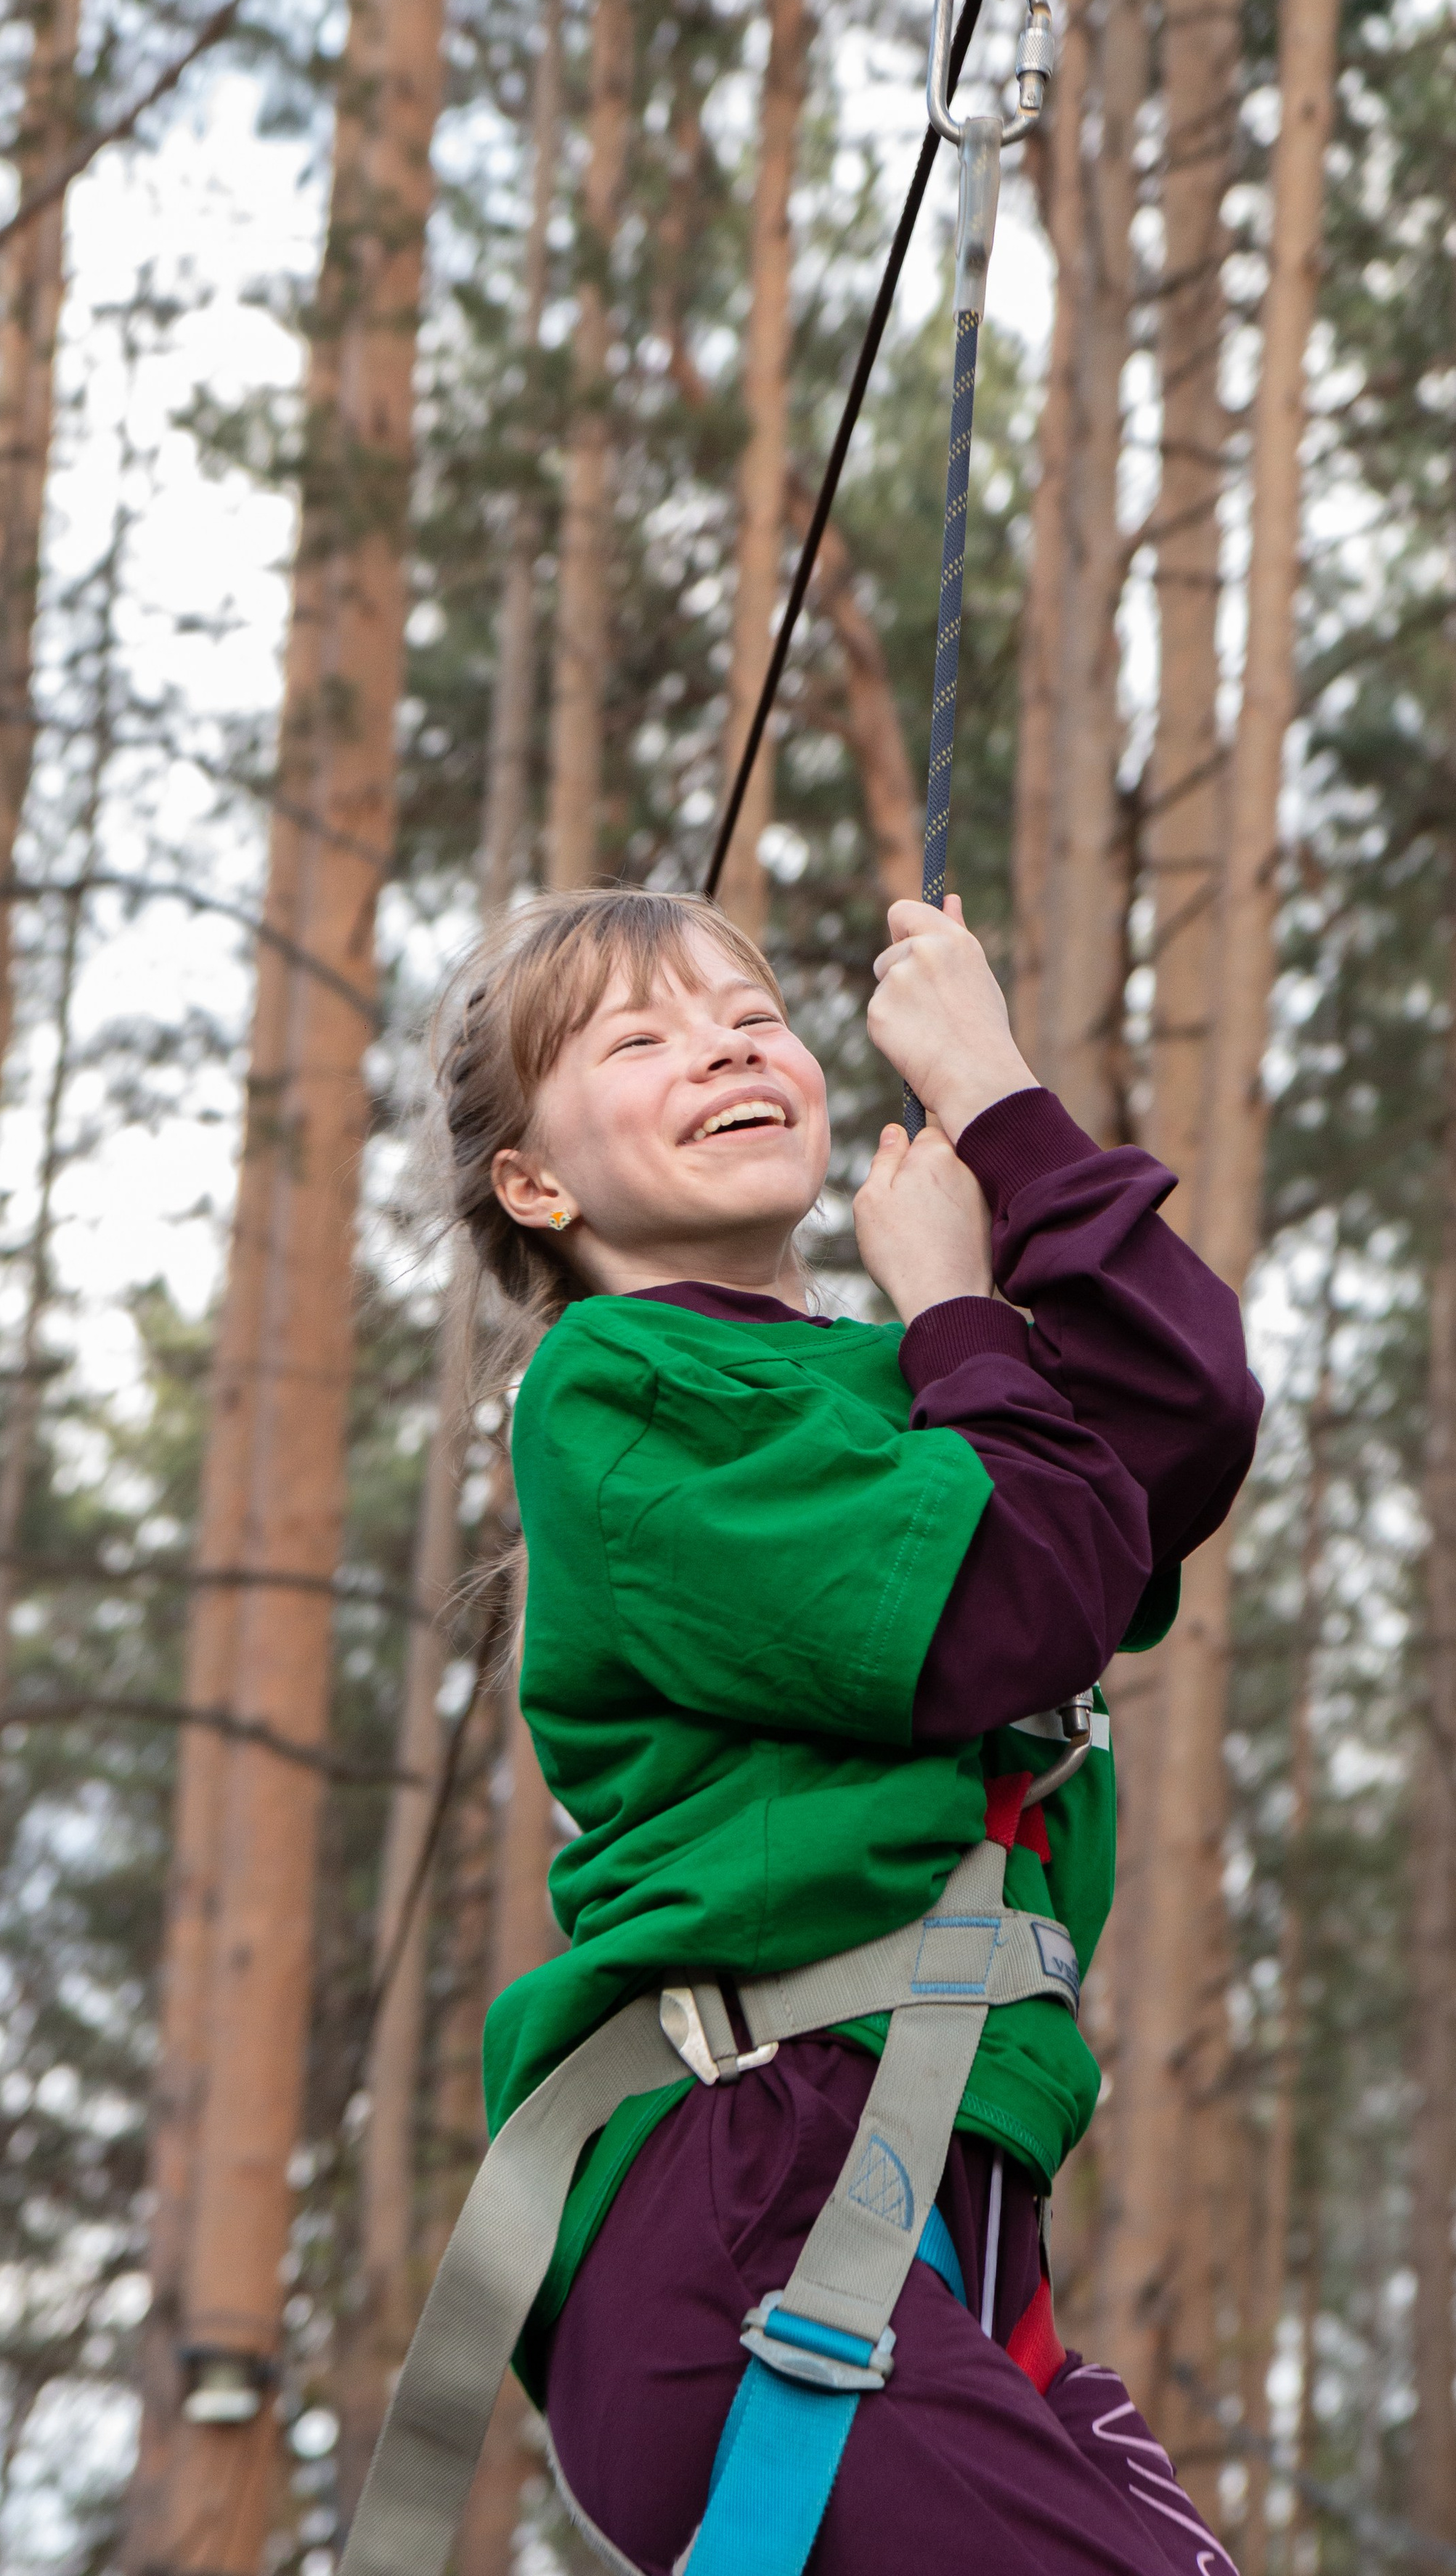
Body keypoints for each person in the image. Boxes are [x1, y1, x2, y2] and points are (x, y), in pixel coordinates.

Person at [423, 881, 1261, 2576]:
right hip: (753, 2204)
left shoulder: (899, 1389)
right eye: (639, 1039)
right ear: (534, 1182)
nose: (724, 1049)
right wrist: (956, 1318)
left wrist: (998, 1105)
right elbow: (1008, 1606)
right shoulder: (616, 1397)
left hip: (935, 2221)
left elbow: (1181, 1425)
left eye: (747, 1018)